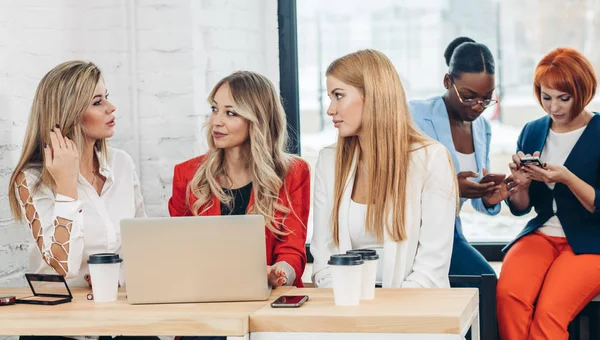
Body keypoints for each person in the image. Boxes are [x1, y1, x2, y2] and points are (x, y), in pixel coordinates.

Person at [8, 61, 154, 340]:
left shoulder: (121, 164)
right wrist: (66, 185)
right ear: (69, 114)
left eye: (107, 97)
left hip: (117, 316)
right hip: (60, 326)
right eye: (97, 102)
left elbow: (141, 245)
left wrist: (118, 278)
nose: (111, 108)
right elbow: (63, 267)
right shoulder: (31, 180)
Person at [311, 49, 458, 289]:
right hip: (346, 307)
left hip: (413, 308)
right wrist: (346, 305)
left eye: (339, 96)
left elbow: (431, 269)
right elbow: (323, 262)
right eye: (330, 97)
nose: (330, 109)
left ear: (374, 97)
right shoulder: (329, 161)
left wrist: (384, 315)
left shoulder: (431, 159)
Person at [168, 71, 310, 289]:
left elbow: (292, 249)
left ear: (258, 119)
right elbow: (177, 251)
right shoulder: (187, 174)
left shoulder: (293, 172)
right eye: (214, 109)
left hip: (269, 298)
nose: (216, 121)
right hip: (205, 297)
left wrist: (279, 273)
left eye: (231, 113)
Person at [497, 48, 600, 339]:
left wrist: (568, 179)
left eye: (563, 98)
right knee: (508, 297)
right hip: (541, 235)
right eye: (546, 97)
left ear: (583, 92)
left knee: (549, 313)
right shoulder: (533, 131)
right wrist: (522, 184)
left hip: (590, 241)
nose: (554, 107)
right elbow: (521, 208)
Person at [410, 37, 519, 277]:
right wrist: (450, 188)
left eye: (486, 98)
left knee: (487, 281)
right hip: (411, 233)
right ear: (448, 81)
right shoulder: (413, 115)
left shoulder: (482, 129)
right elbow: (393, 180)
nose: (478, 106)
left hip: (449, 233)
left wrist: (489, 196)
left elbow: (475, 195)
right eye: (468, 97)